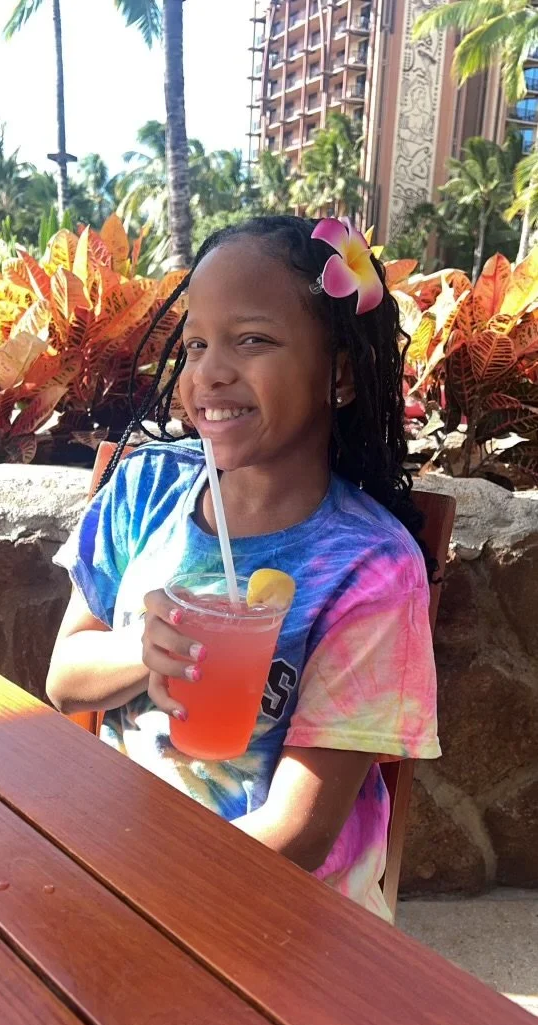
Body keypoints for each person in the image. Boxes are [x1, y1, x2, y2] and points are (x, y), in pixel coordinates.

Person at [47, 215, 439, 921]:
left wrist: (140, 901)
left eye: (251, 340)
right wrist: (141, 652)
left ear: (339, 373)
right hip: (124, 859)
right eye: (196, 344)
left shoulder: (371, 568)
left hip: (282, 914)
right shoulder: (147, 489)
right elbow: (64, 682)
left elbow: (300, 831)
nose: (210, 372)